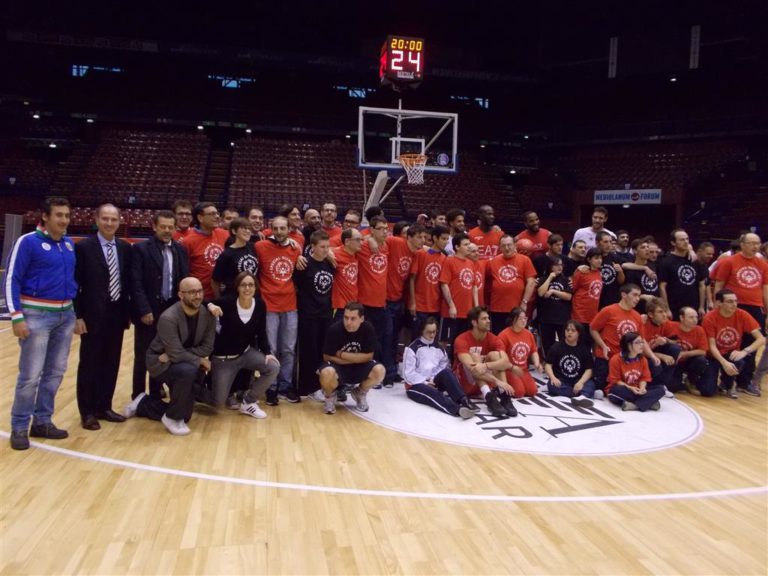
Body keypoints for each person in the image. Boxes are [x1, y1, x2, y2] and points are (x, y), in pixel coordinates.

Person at [6, 197, 77, 450]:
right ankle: (19, 426)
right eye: (59, 215)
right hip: (36, 316)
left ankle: (42, 421)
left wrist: (75, 313)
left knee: (55, 372)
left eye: (67, 215)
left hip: (65, 316)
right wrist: (16, 316)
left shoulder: (68, 244)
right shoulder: (27, 242)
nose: (64, 220)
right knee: (30, 375)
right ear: (45, 217)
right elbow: (12, 279)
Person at [124, 277, 216, 435]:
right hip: (160, 363)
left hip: (177, 360)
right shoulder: (168, 317)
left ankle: (143, 403)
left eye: (200, 291)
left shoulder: (208, 315)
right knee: (189, 370)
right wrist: (197, 359)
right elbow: (177, 353)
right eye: (192, 292)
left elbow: (207, 347)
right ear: (181, 295)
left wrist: (176, 354)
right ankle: (172, 418)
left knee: (186, 415)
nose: (197, 296)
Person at [73, 204, 132, 431]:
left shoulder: (125, 248)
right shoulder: (83, 247)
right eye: (105, 219)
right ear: (96, 220)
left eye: (113, 219)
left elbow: (126, 282)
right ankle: (87, 411)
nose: (109, 223)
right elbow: (75, 284)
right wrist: (78, 315)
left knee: (111, 362)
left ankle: (104, 406)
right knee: (90, 363)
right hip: (92, 315)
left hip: (116, 313)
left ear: (119, 221)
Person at [130, 210, 189, 401]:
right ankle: (138, 395)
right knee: (142, 355)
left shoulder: (180, 250)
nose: (167, 230)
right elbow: (136, 283)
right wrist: (144, 309)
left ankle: (156, 393)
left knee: (163, 353)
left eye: (170, 227)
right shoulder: (141, 249)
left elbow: (183, 281)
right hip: (148, 310)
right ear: (154, 226)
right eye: (163, 226)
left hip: (170, 311)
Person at [208, 272, 280, 418]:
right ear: (238, 287)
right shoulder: (227, 302)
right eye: (243, 285)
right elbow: (205, 303)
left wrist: (267, 352)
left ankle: (249, 402)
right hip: (224, 359)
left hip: (245, 354)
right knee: (218, 402)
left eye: (251, 285)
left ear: (255, 287)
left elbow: (261, 331)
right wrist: (210, 306)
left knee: (273, 367)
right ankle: (194, 390)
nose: (247, 288)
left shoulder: (260, 304)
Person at [712, 232, 768, 395]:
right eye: (751, 243)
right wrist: (717, 306)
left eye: (757, 243)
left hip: (755, 307)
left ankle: (744, 382)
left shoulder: (763, 264)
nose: (755, 246)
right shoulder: (728, 261)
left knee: (752, 345)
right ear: (742, 244)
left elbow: (765, 289)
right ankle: (727, 381)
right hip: (733, 306)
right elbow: (719, 285)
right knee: (730, 341)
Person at [255, 216, 301, 405]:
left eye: (283, 228)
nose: (280, 232)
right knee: (271, 349)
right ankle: (271, 386)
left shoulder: (296, 248)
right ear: (270, 229)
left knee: (288, 349)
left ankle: (285, 385)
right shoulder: (260, 247)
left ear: (289, 229)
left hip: (290, 305)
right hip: (269, 306)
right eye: (276, 228)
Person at [402, 316, 478, 419]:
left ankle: (464, 400)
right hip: (416, 385)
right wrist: (425, 382)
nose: (432, 335)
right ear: (422, 331)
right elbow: (408, 374)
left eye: (434, 332)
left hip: (433, 381)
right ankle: (457, 410)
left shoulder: (439, 347)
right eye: (429, 332)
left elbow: (443, 365)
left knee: (447, 372)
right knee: (433, 394)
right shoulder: (412, 348)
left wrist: (433, 378)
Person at [318, 302, 385, 414]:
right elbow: (326, 357)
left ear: (361, 319)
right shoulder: (334, 330)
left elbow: (369, 356)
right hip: (339, 367)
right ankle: (330, 396)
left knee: (380, 370)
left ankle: (359, 392)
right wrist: (355, 359)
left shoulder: (368, 329)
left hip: (359, 367)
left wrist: (341, 354)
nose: (348, 322)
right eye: (346, 318)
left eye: (353, 319)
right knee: (326, 373)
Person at [590, 283, 659, 392]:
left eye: (639, 296)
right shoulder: (608, 310)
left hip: (627, 359)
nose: (637, 299)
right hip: (607, 357)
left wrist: (652, 356)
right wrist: (603, 345)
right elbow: (593, 329)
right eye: (634, 295)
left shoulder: (637, 316)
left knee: (654, 366)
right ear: (624, 295)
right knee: (600, 388)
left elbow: (642, 339)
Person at [452, 306, 516, 418]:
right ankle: (489, 397)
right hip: (466, 383)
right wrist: (497, 382)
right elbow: (473, 368)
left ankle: (504, 396)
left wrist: (485, 365)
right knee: (475, 357)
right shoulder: (461, 339)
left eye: (488, 318)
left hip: (486, 379)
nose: (488, 321)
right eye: (484, 319)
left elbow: (506, 362)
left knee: (495, 355)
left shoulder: (493, 338)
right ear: (474, 323)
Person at [383, 223, 426, 387]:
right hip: (385, 298)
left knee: (394, 337)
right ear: (409, 237)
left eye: (424, 237)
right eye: (419, 237)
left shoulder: (416, 253)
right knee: (387, 336)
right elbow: (376, 238)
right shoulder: (396, 242)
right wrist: (371, 241)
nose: (422, 240)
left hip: (399, 299)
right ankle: (387, 374)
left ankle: (392, 370)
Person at [701, 289, 765, 398]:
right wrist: (724, 362)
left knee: (739, 360)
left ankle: (727, 384)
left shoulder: (742, 314)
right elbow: (711, 346)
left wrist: (744, 352)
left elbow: (761, 339)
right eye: (730, 301)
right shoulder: (709, 318)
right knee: (708, 391)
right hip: (712, 356)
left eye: (735, 301)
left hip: (729, 353)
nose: (734, 304)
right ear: (719, 303)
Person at [294, 230, 335, 397]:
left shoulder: (330, 264)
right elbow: (296, 286)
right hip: (308, 315)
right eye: (322, 247)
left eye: (327, 247)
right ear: (313, 247)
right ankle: (308, 388)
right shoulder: (304, 264)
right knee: (308, 353)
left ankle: (321, 384)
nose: (325, 250)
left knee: (322, 352)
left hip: (326, 315)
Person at [486, 235, 536, 335]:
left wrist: (524, 302)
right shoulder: (492, 262)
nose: (507, 248)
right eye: (503, 245)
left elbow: (531, 282)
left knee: (519, 336)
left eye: (509, 245)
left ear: (515, 246)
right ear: (500, 247)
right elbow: (487, 283)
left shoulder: (525, 260)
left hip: (517, 308)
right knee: (498, 337)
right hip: (497, 308)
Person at [180, 202, 230, 299]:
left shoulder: (225, 234)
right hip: (199, 297)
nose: (217, 216)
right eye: (212, 214)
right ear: (200, 218)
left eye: (217, 213)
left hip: (222, 294)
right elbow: (184, 272)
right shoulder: (187, 242)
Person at [606, 332, 665, 412]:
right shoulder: (616, 359)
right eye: (638, 342)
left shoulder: (643, 359)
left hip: (637, 389)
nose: (641, 345)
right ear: (629, 345)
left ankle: (634, 405)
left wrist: (642, 388)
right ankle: (648, 402)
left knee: (660, 389)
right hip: (624, 389)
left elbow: (644, 378)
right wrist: (630, 388)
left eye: (642, 342)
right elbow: (616, 381)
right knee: (617, 390)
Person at [409, 225, 449, 338]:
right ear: (435, 238)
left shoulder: (444, 258)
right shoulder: (421, 253)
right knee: (417, 337)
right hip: (420, 305)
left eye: (447, 239)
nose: (445, 242)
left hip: (435, 306)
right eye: (443, 238)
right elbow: (412, 279)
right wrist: (413, 302)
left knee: (431, 339)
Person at [544, 321, 596, 407]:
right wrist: (553, 378)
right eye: (567, 330)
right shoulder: (556, 347)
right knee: (552, 385)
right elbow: (548, 365)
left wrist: (581, 382)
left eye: (573, 330)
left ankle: (582, 396)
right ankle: (582, 395)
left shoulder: (584, 349)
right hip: (562, 380)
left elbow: (589, 369)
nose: (569, 332)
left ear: (579, 333)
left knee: (591, 383)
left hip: (578, 379)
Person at [439, 233, 478, 345]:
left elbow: (474, 286)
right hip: (451, 312)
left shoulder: (471, 263)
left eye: (469, 244)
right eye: (465, 245)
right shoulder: (449, 261)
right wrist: (451, 306)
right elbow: (444, 284)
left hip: (467, 312)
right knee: (446, 342)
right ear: (457, 247)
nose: (469, 247)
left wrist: (476, 308)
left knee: (463, 343)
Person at [658, 229, 706, 319]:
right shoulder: (665, 261)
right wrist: (666, 309)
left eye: (687, 239)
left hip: (693, 306)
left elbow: (701, 285)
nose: (686, 242)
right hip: (674, 306)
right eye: (682, 240)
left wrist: (701, 306)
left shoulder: (695, 260)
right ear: (673, 243)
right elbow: (662, 287)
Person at [497, 307, 542, 398]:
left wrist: (537, 364)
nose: (524, 321)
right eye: (520, 318)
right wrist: (511, 367)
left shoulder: (528, 334)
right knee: (519, 392)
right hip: (509, 369)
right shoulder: (503, 335)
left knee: (532, 391)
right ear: (513, 320)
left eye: (525, 318)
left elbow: (533, 351)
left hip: (523, 369)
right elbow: (500, 357)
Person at [641, 298, 681, 396]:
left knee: (675, 349)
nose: (664, 315)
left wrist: (666, 340)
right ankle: (650, 386)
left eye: (665, 311)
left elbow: (676, 341)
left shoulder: (665, 323)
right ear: (650, 314)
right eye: (660, 312)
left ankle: (662, 385)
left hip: (654, 352)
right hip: (641, 355)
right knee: (655, 364)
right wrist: (662, 356)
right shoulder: (643, 323)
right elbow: (639, 351)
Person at [667, 307, 710, 396]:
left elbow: (703, 351)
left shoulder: (699, 330)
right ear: (681, 318)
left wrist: (684, 354)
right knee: (672, 387)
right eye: (691, 317)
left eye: (696, 317)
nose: (695, 320)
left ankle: (690, 381)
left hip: (688, 361)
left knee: (701, 360)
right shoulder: (670, 326)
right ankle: (680, 382)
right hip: (674, 362)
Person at [212, 217, 259, 297]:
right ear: (234, 231)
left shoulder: (252, 247)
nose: (248, 231)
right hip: (233, 297)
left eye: (249, 229)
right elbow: (215, 281)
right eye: (244, 228)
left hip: (251, 296)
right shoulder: (226, 254)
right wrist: (219, 299)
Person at [536, 255, 572, 357]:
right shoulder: (542, 279)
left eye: (561, 265)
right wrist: (550, 278)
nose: (560, 267)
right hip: (546, 318)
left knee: (564, 343)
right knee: (547, 344)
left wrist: (553, 291)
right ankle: (548, 362)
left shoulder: (566, 280)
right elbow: (541, 293)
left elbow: (568, 296)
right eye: (556, 265)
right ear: (550, 266)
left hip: (562, 318)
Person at [571, 247, 604, 342]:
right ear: (589, 259)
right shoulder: (582, 272)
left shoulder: (599, 273)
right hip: (580, 313)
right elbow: (572, 289)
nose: (599, 260)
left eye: (600, 258)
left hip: (592, 314)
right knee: (579, 341)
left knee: (588, 343)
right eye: (596, 258)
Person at [621, 237, 660, 314]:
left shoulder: (654, 265)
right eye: (643, 247)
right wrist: (643, 296)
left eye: (647, 247)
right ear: (635, 251)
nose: (647, 249)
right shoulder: (631, 270)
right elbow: (628, 292)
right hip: (639, 308)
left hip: (654, 308)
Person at [331, 228, 362, 318]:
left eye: (361, 239)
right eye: (357, 240)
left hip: (353, 305)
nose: (361, 242)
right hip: (340, 306)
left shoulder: (356, 254)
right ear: (347, 241)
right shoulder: (335, 255)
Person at [595, 230, 625, 308]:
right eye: (605, 242)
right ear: (597, 243)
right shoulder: (592, 256)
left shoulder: (615, 258)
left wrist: (620, 271)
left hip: (613, 298)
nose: (609, 244)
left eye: (610, 242)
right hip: (596, 298)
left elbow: (621, 281)